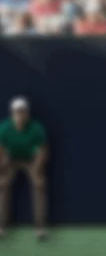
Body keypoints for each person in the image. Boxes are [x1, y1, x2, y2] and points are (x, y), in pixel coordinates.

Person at [0, 97, 49, 240]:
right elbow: (0, 150)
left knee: (40, 185)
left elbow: (42, 151)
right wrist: (2, 169)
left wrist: (38, 171)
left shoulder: (37, 128)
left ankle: (40, 227)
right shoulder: (4, 128)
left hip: (30, 160)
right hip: (10, 160)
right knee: (1, 185)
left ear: (27, 113)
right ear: (12, 113)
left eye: (23, 112)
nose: (20, 115)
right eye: (17, 112)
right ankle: (1, 226)